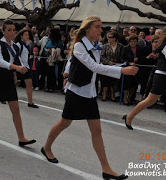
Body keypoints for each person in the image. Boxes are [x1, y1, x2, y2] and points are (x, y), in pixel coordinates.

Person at [41, 16, 136, 180]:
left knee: (97, 131)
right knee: (64, 123)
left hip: (89, 93)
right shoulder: (79, 45)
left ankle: (106, 168)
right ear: (87, 29)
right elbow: (94, 67)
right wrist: (122, 71)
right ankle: (46, 147)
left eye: (101, 27)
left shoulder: (94, 45)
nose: (101, 30)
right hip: (76, 92)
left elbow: (93, 67)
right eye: (97, 27)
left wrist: (122, 67)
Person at [0, 19, 36, 146]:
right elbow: (0, 62)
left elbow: (13, 60)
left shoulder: (14, 46)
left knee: (15, 109)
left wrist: (14, 74)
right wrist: (16, 68)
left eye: (13, 30)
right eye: (9, 30)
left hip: (9, 78)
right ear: (3, 31)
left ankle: (21, 138)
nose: (11, 32)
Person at [14, 29, 38, 108]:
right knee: (12, 83)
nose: (27, 36)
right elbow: (17, 56)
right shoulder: (18, 44)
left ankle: (30, 102)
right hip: (19, 67)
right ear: (21, 36)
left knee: (29, 84)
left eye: (28, 35)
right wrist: (20, 66)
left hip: (26, 67)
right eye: (25, 35)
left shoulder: (27, 45)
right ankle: (4, 97)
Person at [100, 31, 124, 101]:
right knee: (105, 80)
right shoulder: (105, 46)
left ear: (115, 38)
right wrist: (108, 62)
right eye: (108, 37)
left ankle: (112, 95)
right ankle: (104, 95)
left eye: (110, 37)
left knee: (113, 81)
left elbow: (121, 56)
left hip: (116, 65)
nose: (108, 38)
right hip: (106, 65)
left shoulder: (121, 46)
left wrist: (116, 62)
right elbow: (102, 56)